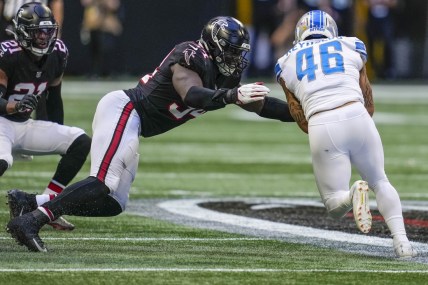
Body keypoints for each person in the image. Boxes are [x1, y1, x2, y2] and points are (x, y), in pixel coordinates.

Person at [6, 16, 294, 252]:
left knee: (112, 204)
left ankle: (30, 202)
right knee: (103, 182)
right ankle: (31, 221)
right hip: (125, 108)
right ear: (212, 46)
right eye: (230, 51)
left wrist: (303, 114)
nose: (235, 58)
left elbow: (261, 105)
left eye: (238, 52)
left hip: (136, 123)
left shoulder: (225, 73)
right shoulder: (191, 54)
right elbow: (192, 94)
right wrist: (231, 95)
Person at [274, 10, 416, 258]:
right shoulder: (351, 45)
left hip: (321, 121)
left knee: (334, 204)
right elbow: (368, 99)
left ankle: (352, 193)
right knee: (380, 181)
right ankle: (402, 243)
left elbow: (299, 116)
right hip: (356, 111)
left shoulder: (285, 62)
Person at [0, 2, 91, 231]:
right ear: (22, 32)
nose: (43, 37)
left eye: (48, 31)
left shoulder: (58, 53)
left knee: (79, 141)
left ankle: (46, 207)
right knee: (3, 161)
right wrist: (15, 105)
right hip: (2, 123)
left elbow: (53, 98)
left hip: (23, 125)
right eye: (37, 32)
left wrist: (55, 132)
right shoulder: (8, 55)